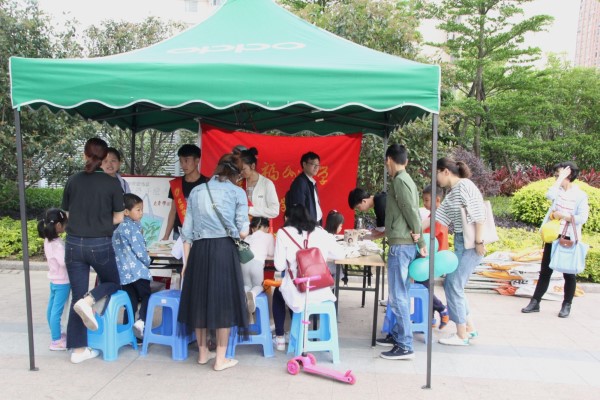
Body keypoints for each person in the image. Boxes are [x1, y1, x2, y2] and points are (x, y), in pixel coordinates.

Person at [178, 153, 250, 371]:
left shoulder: (197, 191)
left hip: (199, 252)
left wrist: (186, 264)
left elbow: (187, 232)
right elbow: (243, 232)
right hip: (224, 251)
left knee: (199, 301)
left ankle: (202, 354)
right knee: (223, 304)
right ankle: (220, 359)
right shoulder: (237, 192)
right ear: (237, 174)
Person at [62, 137, 125, 363]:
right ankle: (90, 301)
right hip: (100, 243)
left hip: (73, 244)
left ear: (85, 155)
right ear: (104, 157)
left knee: (76, 293)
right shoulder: (112, 183)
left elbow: (67, 215)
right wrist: (100, 223)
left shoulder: (73, 180)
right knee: (113, 282)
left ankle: (78, 351)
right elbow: (119, 217)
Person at [375, 144, 426, 361]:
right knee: (400, 293)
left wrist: (420, 239)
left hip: (402, 244)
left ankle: (405, 345)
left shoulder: (399, 181)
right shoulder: (406, 179)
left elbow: (410, 211)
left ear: (389, 160)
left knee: (398, 296)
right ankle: (397, 335)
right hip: (404, 242)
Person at [521, 162, 589, 318]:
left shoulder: (580, 195)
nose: (556, 176)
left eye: (559, 174)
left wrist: (563, 216)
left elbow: (582, 218)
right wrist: (559, 181)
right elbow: (549, 195)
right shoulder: (557, 191)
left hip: (569, 236)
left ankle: (566, 305)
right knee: (545, 271)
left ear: (569, 174)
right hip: (553, 235)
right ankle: (535, 302)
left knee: (569, 273)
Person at [433, 157, 486, 346]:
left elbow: (479, 215)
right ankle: (469, 329)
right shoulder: (453, 192)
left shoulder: (464, 186)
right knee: (455, 285)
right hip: (463, 243)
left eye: (437, 173)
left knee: (453, 284)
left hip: (471, 244)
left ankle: (461, 335)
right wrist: (414, 230)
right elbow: (437, 217)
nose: (436, 178)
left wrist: (479, 241)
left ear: (445, 171)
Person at [274, 204, 345, 337]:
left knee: (278, 293)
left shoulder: (283, 233)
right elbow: (341, 254)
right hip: (321, 291)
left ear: (287, 218)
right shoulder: (321, 232)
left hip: (298, 291)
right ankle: (304, 335)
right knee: (282, 291)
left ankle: (280, 338)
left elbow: (279, 266)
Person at [113, 193, 152, 339]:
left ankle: (128, 333)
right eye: (138, 210)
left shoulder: (117, 229)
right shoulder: (133, 228)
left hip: (124, 274)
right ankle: (141, 322)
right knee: (147, 296)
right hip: (138, 272)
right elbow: (140, 251)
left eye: (142, 209)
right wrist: (148, 261)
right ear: (126, 212)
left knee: (130, 302)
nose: (141, 213)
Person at [38, 208, 70, 351]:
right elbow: (63, 262)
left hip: (54, 280)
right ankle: (56, 340)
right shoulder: (57, 244)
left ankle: (56, 334)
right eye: (65, 224)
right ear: (58, 225)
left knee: (51, 309)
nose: (65, 226)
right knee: (57, 312)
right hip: (63, 282)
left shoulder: (48, 240)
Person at [419, 184, 450, 329]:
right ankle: (430, 318)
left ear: (437, 200)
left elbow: (431, 238)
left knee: (423, 284)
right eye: (424, 200)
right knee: (426, 284)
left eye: (427, 200)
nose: (424, 203)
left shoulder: (437, 217)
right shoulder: (434, 215)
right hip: (433, 256)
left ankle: (441, 308)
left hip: (434, 257)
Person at [162, 144, 208, 240]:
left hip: (201, 234)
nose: (183, 165)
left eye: (186, 160)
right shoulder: (176, 184)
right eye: (181, 161)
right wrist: (166, 236)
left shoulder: (207, 183)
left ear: (197, 161)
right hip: (179, 233)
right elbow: (173, 211)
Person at [242, 217, 275, 316]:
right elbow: (271, 253)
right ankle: (253, 294)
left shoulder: (248, 237)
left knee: (247, 285)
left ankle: (243, 298)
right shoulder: (268, 236)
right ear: (265, 227)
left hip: (243, 263)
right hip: (257, 263)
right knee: (258, 286)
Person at [239, 147, 280, 220]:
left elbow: (274, 211)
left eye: (243, 169)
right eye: (239, 169)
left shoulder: (266, 184)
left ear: (253, 166)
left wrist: (250, 210)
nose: (241, 172)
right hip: (242, 225)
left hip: (260, 225)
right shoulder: (239, 183)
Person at [286, 151, 323, 225]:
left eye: (318, 165)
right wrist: (305, 225)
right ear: (304, 164)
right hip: (307, 225)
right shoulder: (300, 182)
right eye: (313, 164)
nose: (316, 167)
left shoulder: (311, 182)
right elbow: (299, 208)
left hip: (314, 223)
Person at [324, 210, 344, 278]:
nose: (341, 228)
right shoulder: (329, 238)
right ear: (336, 225)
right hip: (322, 265)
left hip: (318, 263)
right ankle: (332, 285)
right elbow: (339, 256)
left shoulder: (324, 234)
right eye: (341, 226)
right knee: (340, 270)